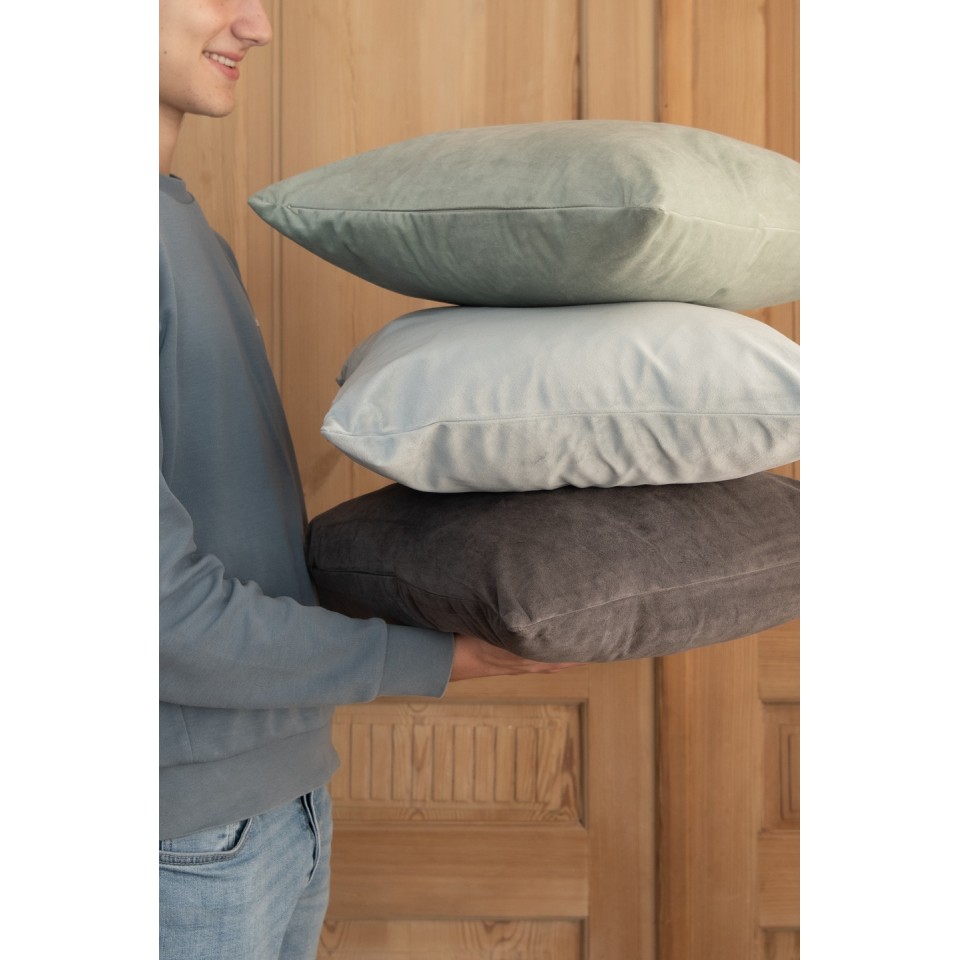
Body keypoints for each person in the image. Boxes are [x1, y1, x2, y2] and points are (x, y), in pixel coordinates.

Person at [159, 2, 573, 958]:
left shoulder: (179, 227)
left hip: (278, 800)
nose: (256, 25)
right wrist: (432, 657)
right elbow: (152, 616)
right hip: (178, 838)